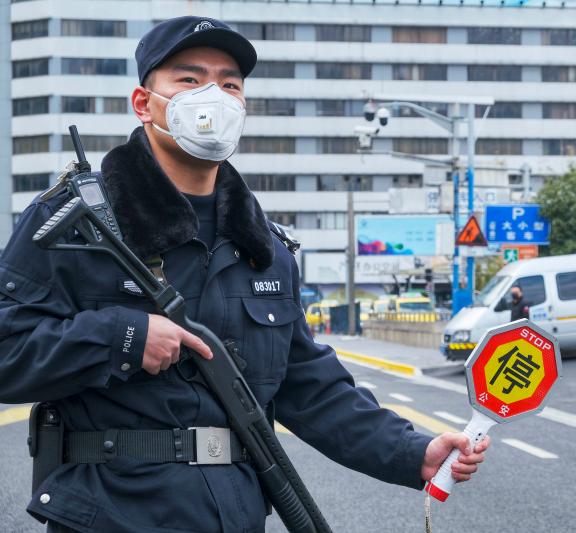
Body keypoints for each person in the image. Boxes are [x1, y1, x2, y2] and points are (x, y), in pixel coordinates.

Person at [0, 17, 489, 532]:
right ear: (144, 103)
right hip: (112, 512)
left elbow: (309, 386)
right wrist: (121, 337)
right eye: (189, 80)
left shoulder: (265, 248)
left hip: (234, 513)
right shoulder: (76, 220)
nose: (212, 96)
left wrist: (414, 452)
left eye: (229, 84)